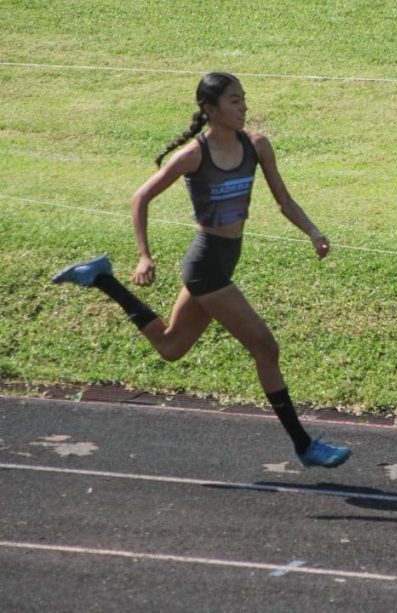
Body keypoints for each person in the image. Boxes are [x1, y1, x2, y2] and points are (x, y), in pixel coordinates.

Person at [52, 72, 350, 468]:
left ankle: (102, 277)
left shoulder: (257, 145)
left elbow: (284, 200)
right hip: (206, 265)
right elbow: (141, 197)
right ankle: (304, 444)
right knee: (266, 347)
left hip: (224, 260)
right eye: (233, 101)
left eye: (244, 99)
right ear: (210, 110)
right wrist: (144, 255)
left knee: (171, 347)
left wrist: (313, 231)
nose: (243, 107)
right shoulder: (193, 155)